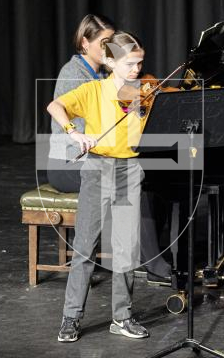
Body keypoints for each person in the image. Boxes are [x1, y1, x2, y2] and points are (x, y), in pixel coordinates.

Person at [47, 30, 150, 342]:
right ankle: (70, 317)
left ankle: (122, 316)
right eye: (131, 63)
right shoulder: (93, 91)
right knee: (85, 246)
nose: (137, 69)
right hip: (98, 169)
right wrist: (74, 133)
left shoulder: (141, 92)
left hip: (129, 170)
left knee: (126, 248)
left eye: (140, 63)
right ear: (110, 61)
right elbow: (55, 106)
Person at [47, 14, 115, 192]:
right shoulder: (73, 73)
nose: (110, 49)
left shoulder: (104, 74)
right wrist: (73, 131)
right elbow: (57, 108)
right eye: (104, 43)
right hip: (68, 163)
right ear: (85, 43)